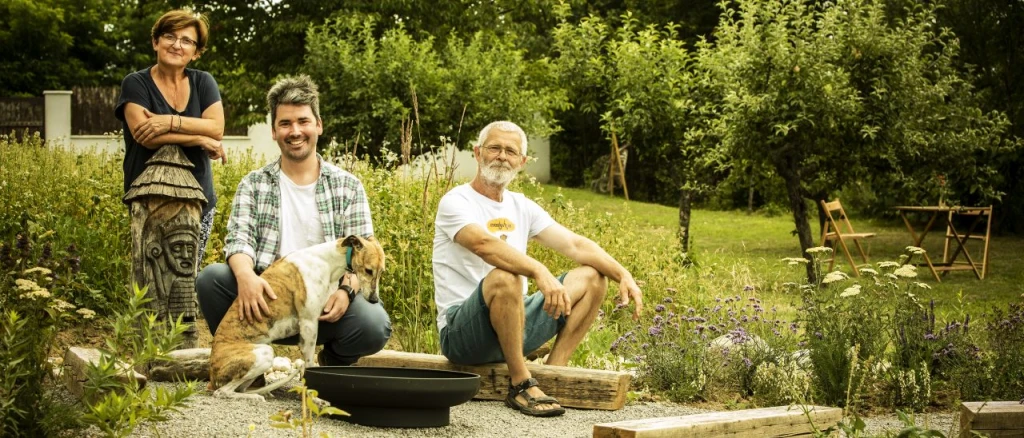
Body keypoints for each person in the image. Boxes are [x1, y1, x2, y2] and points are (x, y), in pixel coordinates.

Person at [432, 121, 643, 417]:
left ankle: (554, 373)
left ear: (522, 162)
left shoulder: (522, 206)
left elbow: (575, 245)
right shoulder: (456, 201)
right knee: (506, 276)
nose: (501, 156)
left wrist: (623, 274)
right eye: (494, 148)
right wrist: (538, 271)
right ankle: (520, 383)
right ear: (477, 153)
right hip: (464, 333)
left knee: (593, 277)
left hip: (514, 321)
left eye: (510, 151)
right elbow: (483, 245)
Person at [196, 75, 390, 366]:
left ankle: (330, 366)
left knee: (374, 323)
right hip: (266, 300)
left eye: (303, 121)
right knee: (212, 280)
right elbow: (239, 242)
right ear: (274, 131)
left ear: (318, 125)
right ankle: (243, 362)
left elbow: (363, 252)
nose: (295, 131)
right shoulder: (253, 184)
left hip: (325, 301)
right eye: (285, 123)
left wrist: (347, 291)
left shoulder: (348, 186)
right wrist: (247, 278)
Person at [115, 9, 226, 266]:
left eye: (187, 40)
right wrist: (198, 138)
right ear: (156, 42)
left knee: (187, 277)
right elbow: (146, 137)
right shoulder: (135, 83)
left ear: (196, 52)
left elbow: (217, 129)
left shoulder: (203, 82)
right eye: (169, 36)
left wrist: (169, 121)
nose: (177, 45)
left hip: (198, 200)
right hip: (148, 199)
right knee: (151, 279)